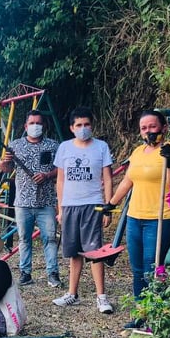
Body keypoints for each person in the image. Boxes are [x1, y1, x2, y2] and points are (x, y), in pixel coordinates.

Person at [108, 110, 170, 327]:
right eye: (144, 128)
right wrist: (111, 203)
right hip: (135, 216)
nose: (148, 131)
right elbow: (127, 181)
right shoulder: (138, 152)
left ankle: (156, 315)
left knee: (152, 268)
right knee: (137, 269)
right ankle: (140, 313)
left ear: (163, 127)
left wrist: (169, 162)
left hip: (161, 217)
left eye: (152, 126)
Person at [52, 106, 115, 314]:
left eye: (86, 124)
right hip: (70, 205)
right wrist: (60, 208)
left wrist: (108, 206)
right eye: (79, 125)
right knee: (73, 252)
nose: (83, 128)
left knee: (95, 251)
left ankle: (102, 297)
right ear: (72, 128)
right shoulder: (64, 148)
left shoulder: (101, 147)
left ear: (92, 125)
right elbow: (60, 180)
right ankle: (72, 294)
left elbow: (107, 178)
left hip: (93, 204)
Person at [0, 109, 61, 288]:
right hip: (23, 202)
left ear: (44, 125)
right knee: (24, 238)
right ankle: (25, 273)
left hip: (46, 201)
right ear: (26, 126)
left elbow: (60, 169)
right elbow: (6, 169)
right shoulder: (15, 145)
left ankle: (53, 273)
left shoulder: (53, 145)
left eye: (38, 123)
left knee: (50, 238)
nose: (35, 126)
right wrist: (4, 163)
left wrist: (47, 175)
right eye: (32, 123)